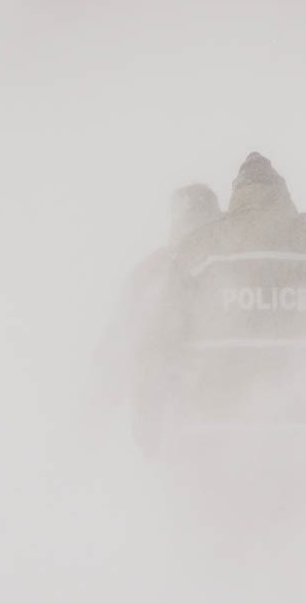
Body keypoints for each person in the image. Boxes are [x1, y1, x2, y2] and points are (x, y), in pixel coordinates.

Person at [146, 152, 306, 465]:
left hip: (214, 430)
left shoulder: (200, 247)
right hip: (302, 431)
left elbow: (165, 335)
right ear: (282, 192)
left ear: (237, 193)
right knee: (287, 511)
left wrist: (153, 418)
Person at [92, 183, 221, 444]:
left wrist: (94, 416)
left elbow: (116, 347)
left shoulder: (150, 271)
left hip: (163, 422)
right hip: (218, 418)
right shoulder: (229, 267)